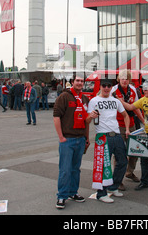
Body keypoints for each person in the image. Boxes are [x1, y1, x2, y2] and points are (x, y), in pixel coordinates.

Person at [87, 78, 130, 203]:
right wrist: (91, 116)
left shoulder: (115, 101)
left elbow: (125, 115)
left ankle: (113, 186)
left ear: (112, 87)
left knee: (122, 161)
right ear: (100, 87)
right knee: (103, 165)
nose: (106, 88)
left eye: (108, 86)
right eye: (104, 86)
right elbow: (88, 120)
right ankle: (101, 193)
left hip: (116, 135)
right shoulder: (94, 101)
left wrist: (127, 129)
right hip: (102, 136)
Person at [53, 74, 90, 209]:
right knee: (65, 169)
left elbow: (87, 121)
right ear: (72, 82)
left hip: (80, 139)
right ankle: (62, 196)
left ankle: (73, 192)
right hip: (67, 139)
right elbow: (56, 117)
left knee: (75, 169)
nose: (80, 83)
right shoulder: (64, 97)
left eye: (82, 81)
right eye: (77, 81)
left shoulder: (85, 99)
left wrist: (87, 138)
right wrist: (61, 137)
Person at [111, 69, 144, 185]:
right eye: (122, 78)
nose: (124, 80)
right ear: (119, 79)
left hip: (131, 124)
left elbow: (135, 108)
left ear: (129, 79)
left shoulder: (133, 89)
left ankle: (129, 172)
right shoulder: (113, 90)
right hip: (118, 125)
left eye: (126, 78)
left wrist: (143, 121)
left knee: (136, 150)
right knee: (119, 153)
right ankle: (118, 178)